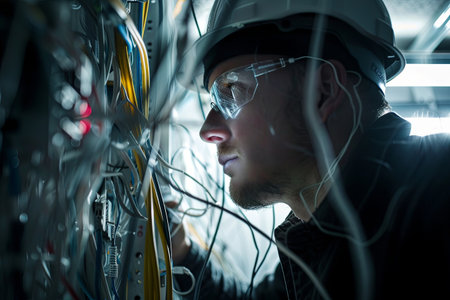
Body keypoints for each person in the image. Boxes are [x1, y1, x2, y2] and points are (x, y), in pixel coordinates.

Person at [173, 0, 450, 299]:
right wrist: (182, 251)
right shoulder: (318, 242)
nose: (207, 131)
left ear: (323, 91)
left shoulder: (439, 191)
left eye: (229, 92)